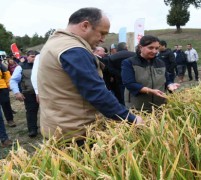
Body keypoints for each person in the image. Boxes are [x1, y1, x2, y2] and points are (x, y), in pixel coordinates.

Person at [38, 7, 143, 142]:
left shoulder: (55, 42)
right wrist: (131, 119)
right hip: (76, 132)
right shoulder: (74, 49)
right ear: (85, 25)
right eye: (102, 33)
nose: (103, 40)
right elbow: (96, 92)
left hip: (56, 125)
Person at [122, 35, 180, 112]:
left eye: (157, 48)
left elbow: (166, 79)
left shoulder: (160, 63)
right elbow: (129, 83)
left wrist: (170, 85)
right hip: (138, 108)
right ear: (140, 47)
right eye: (150, 48)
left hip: (159, 107)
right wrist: (150, 90)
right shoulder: (129, 62)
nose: (154, 51)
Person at [10, 50, 39, 137]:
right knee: (31, 112)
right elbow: (13, 80)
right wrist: (17, 92)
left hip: (44, 93)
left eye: (36, 57)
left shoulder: (43, 65)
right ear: (27, 57)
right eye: (32, 56)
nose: (34, 59)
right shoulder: (21, 67)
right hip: (29, 93)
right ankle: (32, 130)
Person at [0, 59, 16, 127]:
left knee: (6, 104)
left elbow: (7, 74)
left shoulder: (1, 65)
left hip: (2, 88)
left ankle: (10, 120)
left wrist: (9, 85)